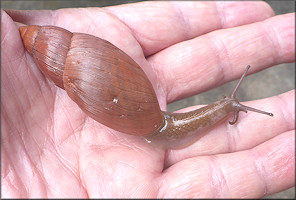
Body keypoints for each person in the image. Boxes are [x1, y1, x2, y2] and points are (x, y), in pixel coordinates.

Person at [1, 1, 295, 198]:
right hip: (78, 67)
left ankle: (223, 106)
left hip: (82, 65)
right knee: (162, 125)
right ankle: (222, 107)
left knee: (163, 123)